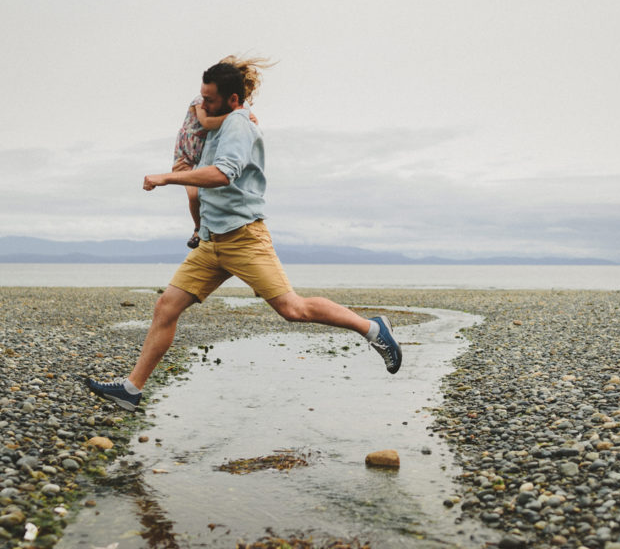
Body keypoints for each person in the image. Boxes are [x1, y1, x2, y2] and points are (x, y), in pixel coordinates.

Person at [83, 60, 401, 411]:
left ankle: (372, 329)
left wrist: (167, 178)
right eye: (201, 97)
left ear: (233, 99)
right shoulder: (220, 123)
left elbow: (223, 174)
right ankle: (131, 389)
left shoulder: (238, 124)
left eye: (210, 100)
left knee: (293, 309)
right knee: (166, 307)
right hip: (212, 241)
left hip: (244, 238)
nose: (202, 105)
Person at [172, 55, 268, 249]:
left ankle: (204, 230)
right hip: (188, 153)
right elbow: (206, 123)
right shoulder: (201, 101)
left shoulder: (236, 109)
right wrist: (238, 117)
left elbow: (243, 120)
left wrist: (244, 117)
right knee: (193, 195)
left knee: (201, 192)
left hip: (202, 155)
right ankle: (198, 228)